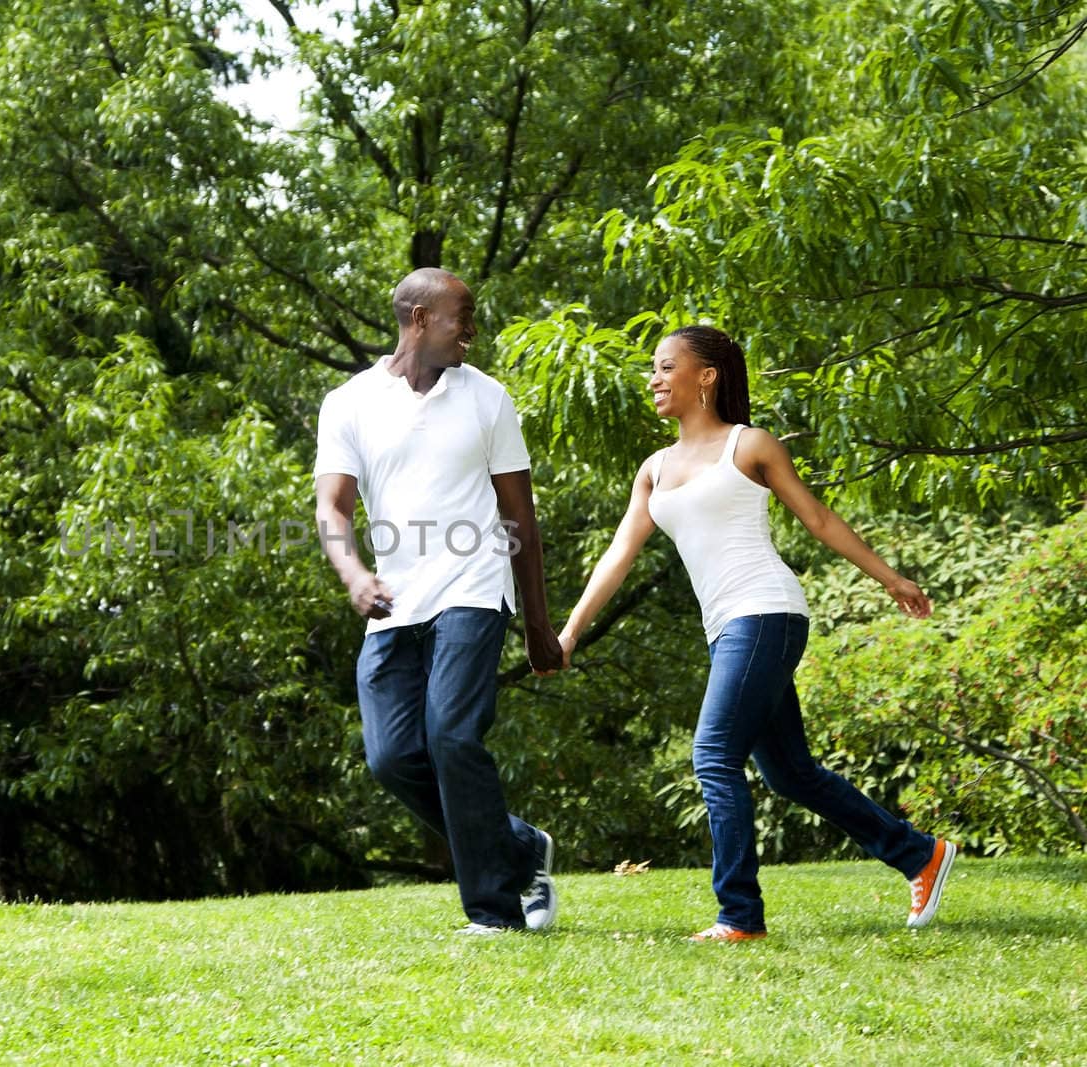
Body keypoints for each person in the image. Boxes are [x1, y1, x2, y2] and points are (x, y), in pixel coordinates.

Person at [557, 325, 957, 942]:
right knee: (790, 773)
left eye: (667, 367)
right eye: (654, 369)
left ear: (706, 377)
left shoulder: (749, 445)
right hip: (727, 626)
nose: (655, 379)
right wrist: (570, 632)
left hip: (766, 609)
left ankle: (738, 915)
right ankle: (919, 855)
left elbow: (818, 518)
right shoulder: (654, 469)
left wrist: (891, 578)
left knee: (714, 755)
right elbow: (619, 553)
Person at [313, 267, 565, 935]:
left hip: (475, 587)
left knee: (452, 733)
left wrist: (538, 624)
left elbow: (521, 520)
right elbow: (332, 509)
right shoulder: (348, 402)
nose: (473, 330)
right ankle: (517, 846)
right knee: (392, 756)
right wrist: (353, 575)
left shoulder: (489, 399)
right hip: (395, 599)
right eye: (463, 316)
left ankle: (495, 910)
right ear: (420, 320)